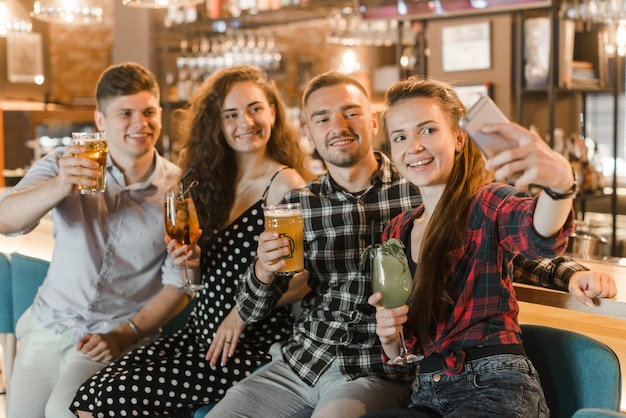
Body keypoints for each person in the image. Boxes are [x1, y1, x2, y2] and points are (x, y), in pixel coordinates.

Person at [205, 71, 617, 418]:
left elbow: (518, 238)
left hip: (414, 375)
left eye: (351, 113)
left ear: (371, 125)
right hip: (319, 360)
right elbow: (398, 338)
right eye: (322, 117)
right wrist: (258, 278)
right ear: (308, 131)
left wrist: (568, 245)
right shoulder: (339, 212)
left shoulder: (431, 188)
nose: (338, 126)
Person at [71, 65, 314, 417]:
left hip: (245, 343)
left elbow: (303, 280)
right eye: (231, 114)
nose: (245, 122)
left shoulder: (283, 183)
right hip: (198, 332)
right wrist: (192, 262)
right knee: (89, 395)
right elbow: (198, 283)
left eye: (255, 109)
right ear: (218, 123)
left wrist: (240, 313)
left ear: (272, 112)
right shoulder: (212, 182)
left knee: (110, 399)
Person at [363, 76, 578, 417]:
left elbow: (538, 231)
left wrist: (561, 185)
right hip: (429, 391)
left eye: (428, 131)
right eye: (400, 137)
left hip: (497, 387)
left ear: (459, 139)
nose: (414, 146)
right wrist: (391, 338)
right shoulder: (397, 231)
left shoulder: (486, 203)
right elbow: (407, 347)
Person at [0, 62, 190, 418]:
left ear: (160, 115)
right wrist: (60, 185)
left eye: (149, 112)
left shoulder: (176, 188)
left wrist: (127, 333)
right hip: (48, 323)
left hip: (114, 336)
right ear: (100, 121)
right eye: (125, 113)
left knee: (64, 413)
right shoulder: (63, 162)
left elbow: (179, 284)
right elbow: (6, 220)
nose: (140, 123)